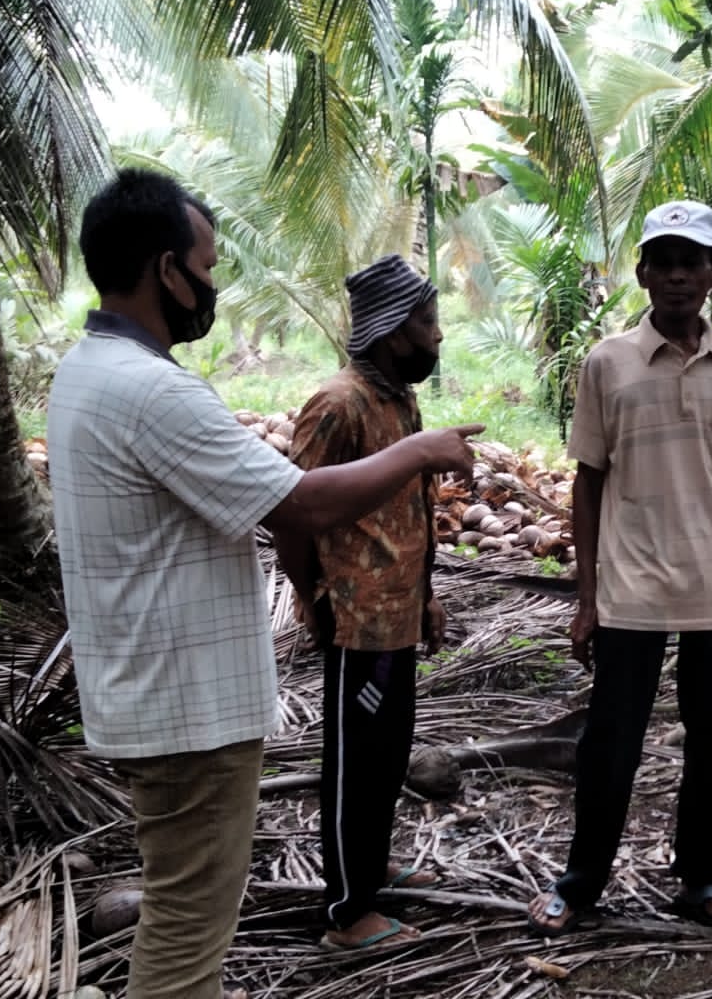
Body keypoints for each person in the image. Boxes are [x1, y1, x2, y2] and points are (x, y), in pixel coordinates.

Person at [47, 168, 483, 999]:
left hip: (157, 694)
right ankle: (345, 904)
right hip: (184, 711)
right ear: (163, 269)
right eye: (205, 267)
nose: (211, 286)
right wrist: (423, 455)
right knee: (185, 921)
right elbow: (299, 505)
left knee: (192, 915)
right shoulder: (151, 390)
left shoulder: (88, 372)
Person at [526, 200, 712, 937]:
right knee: (612, 739)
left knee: (710, 738)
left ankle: (705, 879)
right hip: (632, 587)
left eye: (691, 261)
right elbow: (588, 479)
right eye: (663, 261)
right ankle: (580, 884)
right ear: (641, 272)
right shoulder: (608, 363)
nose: (676, 275)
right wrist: (587, 596)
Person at [274, 255, 450, 953]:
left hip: (397, 615)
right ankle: (348, 915)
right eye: (428, 322)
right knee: (356, 762)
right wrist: (308, 594)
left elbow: (409, 510)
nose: (438, 337)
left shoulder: (398, 398)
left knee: (387, 755)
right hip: (355, 621)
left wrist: (426, 592)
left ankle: (371, 872)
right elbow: (293, 512)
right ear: (392, 329)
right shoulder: (338, 404)